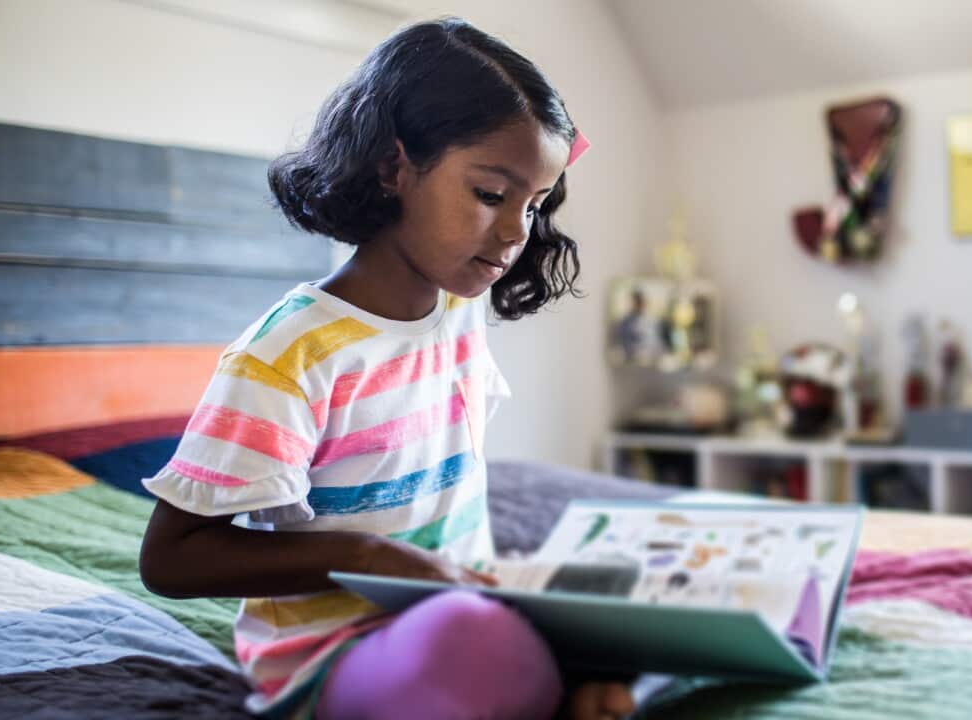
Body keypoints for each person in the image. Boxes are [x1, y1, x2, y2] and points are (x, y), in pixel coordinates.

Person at [138, 18, 634, 720]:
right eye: (492, 196)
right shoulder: (291, 353)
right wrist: (368, 557)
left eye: (536, 204)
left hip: (463, 598)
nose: (518, 232)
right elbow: (170, 558)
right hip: (338, 648)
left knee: (624, 607)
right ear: (392, 167)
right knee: (479, 643)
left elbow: (554, 147)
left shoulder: (458, 308)